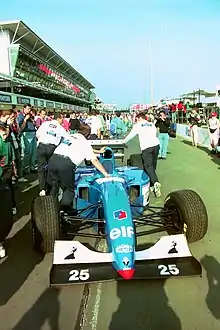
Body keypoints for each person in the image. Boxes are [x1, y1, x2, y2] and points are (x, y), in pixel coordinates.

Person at [47, 123, 110, 211]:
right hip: (65, 164)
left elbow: (79, 148)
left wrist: (98, 151)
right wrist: (106, 174)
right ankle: (64, 211)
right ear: (88, 135)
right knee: (69, 190)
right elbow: (94, 160)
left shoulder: (71, 136)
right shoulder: (84, 142)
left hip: (53, 160)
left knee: (54, 186)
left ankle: (50, 209)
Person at [124, 112, 161, 197]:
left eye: (136, 119)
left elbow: (131, 135)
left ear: (139, 118)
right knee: (153, 164)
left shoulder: (138, 125)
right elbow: (155, 134)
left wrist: (123, 142)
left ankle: (155, 183)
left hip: (146, 147)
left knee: (148, 166)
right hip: (156, 145)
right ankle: (151, 184)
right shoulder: (151, 124)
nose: (135, 121)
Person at [36, 113, 70, 196]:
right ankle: (51, 187)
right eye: (62, 119)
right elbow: (67, 138)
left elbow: (37, 134)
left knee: (41, 168)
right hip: (52, 148)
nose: (63, 121)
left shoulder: (45, 124)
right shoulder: (60, 128)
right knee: (51, 168)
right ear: (58, 118)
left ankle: (42, 189)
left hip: (41, 146)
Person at [0, 126, 17, 214]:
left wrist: (14, 169)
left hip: (8, 168)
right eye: (2, 135)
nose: (4, 137)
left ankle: (13, 205)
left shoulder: (9, 144)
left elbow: (13, 158)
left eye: (5, 135)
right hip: (1, 168)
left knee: (8, 186)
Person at [17, 103, 37, 176]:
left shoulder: (31, 116)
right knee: (27, 152)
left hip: (33, 133)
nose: (29, 110)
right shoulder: (21, 116)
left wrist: (32, 120)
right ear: (24, 108)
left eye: (30, 109)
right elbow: (21, 128)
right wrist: (25, 119)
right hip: (26, 134)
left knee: (33, 152)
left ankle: (32, 167)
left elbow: (34, 125)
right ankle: (26, 168)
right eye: (28, 109)